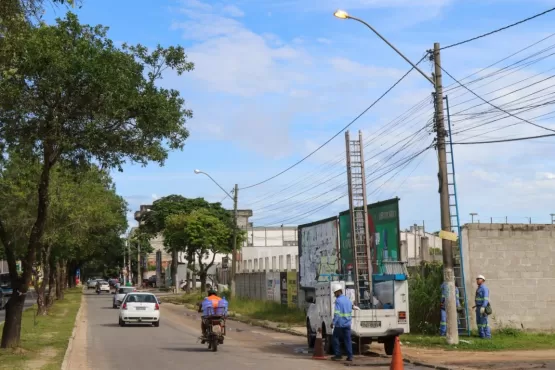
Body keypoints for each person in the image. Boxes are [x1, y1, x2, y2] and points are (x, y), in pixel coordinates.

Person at [330, 283, 353, 362]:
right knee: (348, 340)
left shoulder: (338, 301)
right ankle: (350, 356)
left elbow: (337, 314)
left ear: (338, 292)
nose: (334, 294)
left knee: (335, 338)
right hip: (347, 323)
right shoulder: (347, 300)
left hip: (339, 324)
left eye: (335, 293)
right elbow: (350, 310)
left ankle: (338, 355)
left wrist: (333, 322)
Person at [472, 275, 491, 339]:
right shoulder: (479, 288)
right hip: (478, 307)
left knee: (484, 322)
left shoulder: (484, 288)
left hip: (483, 307)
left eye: (479, 279)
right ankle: (482, 335)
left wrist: (483, 307)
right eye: (477, 279)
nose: (477, 280)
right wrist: (476, 305)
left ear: (483, 280)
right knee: (479, 322)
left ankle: (487, 336)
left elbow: (485, 299)